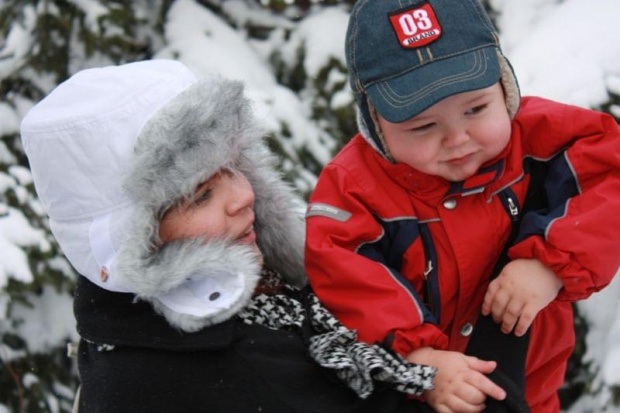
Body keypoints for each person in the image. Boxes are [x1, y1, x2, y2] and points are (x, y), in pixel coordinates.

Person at [20, 59, 438, 413]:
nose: (243, 196)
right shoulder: (223, 372)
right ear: (133, 240)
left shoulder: (128, 321)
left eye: (236, 167)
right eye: (201, 196)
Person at [304, 0, 620, 412]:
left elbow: (611, 175)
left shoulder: (544, 139)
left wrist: (551, 262)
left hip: (529, 383)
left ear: (504, 86)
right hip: (421, 395)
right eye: (423, 125)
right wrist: (420, 360)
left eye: (476, 109)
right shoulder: (355, 190)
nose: (457, 138)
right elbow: (344, 276)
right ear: (374, 124)